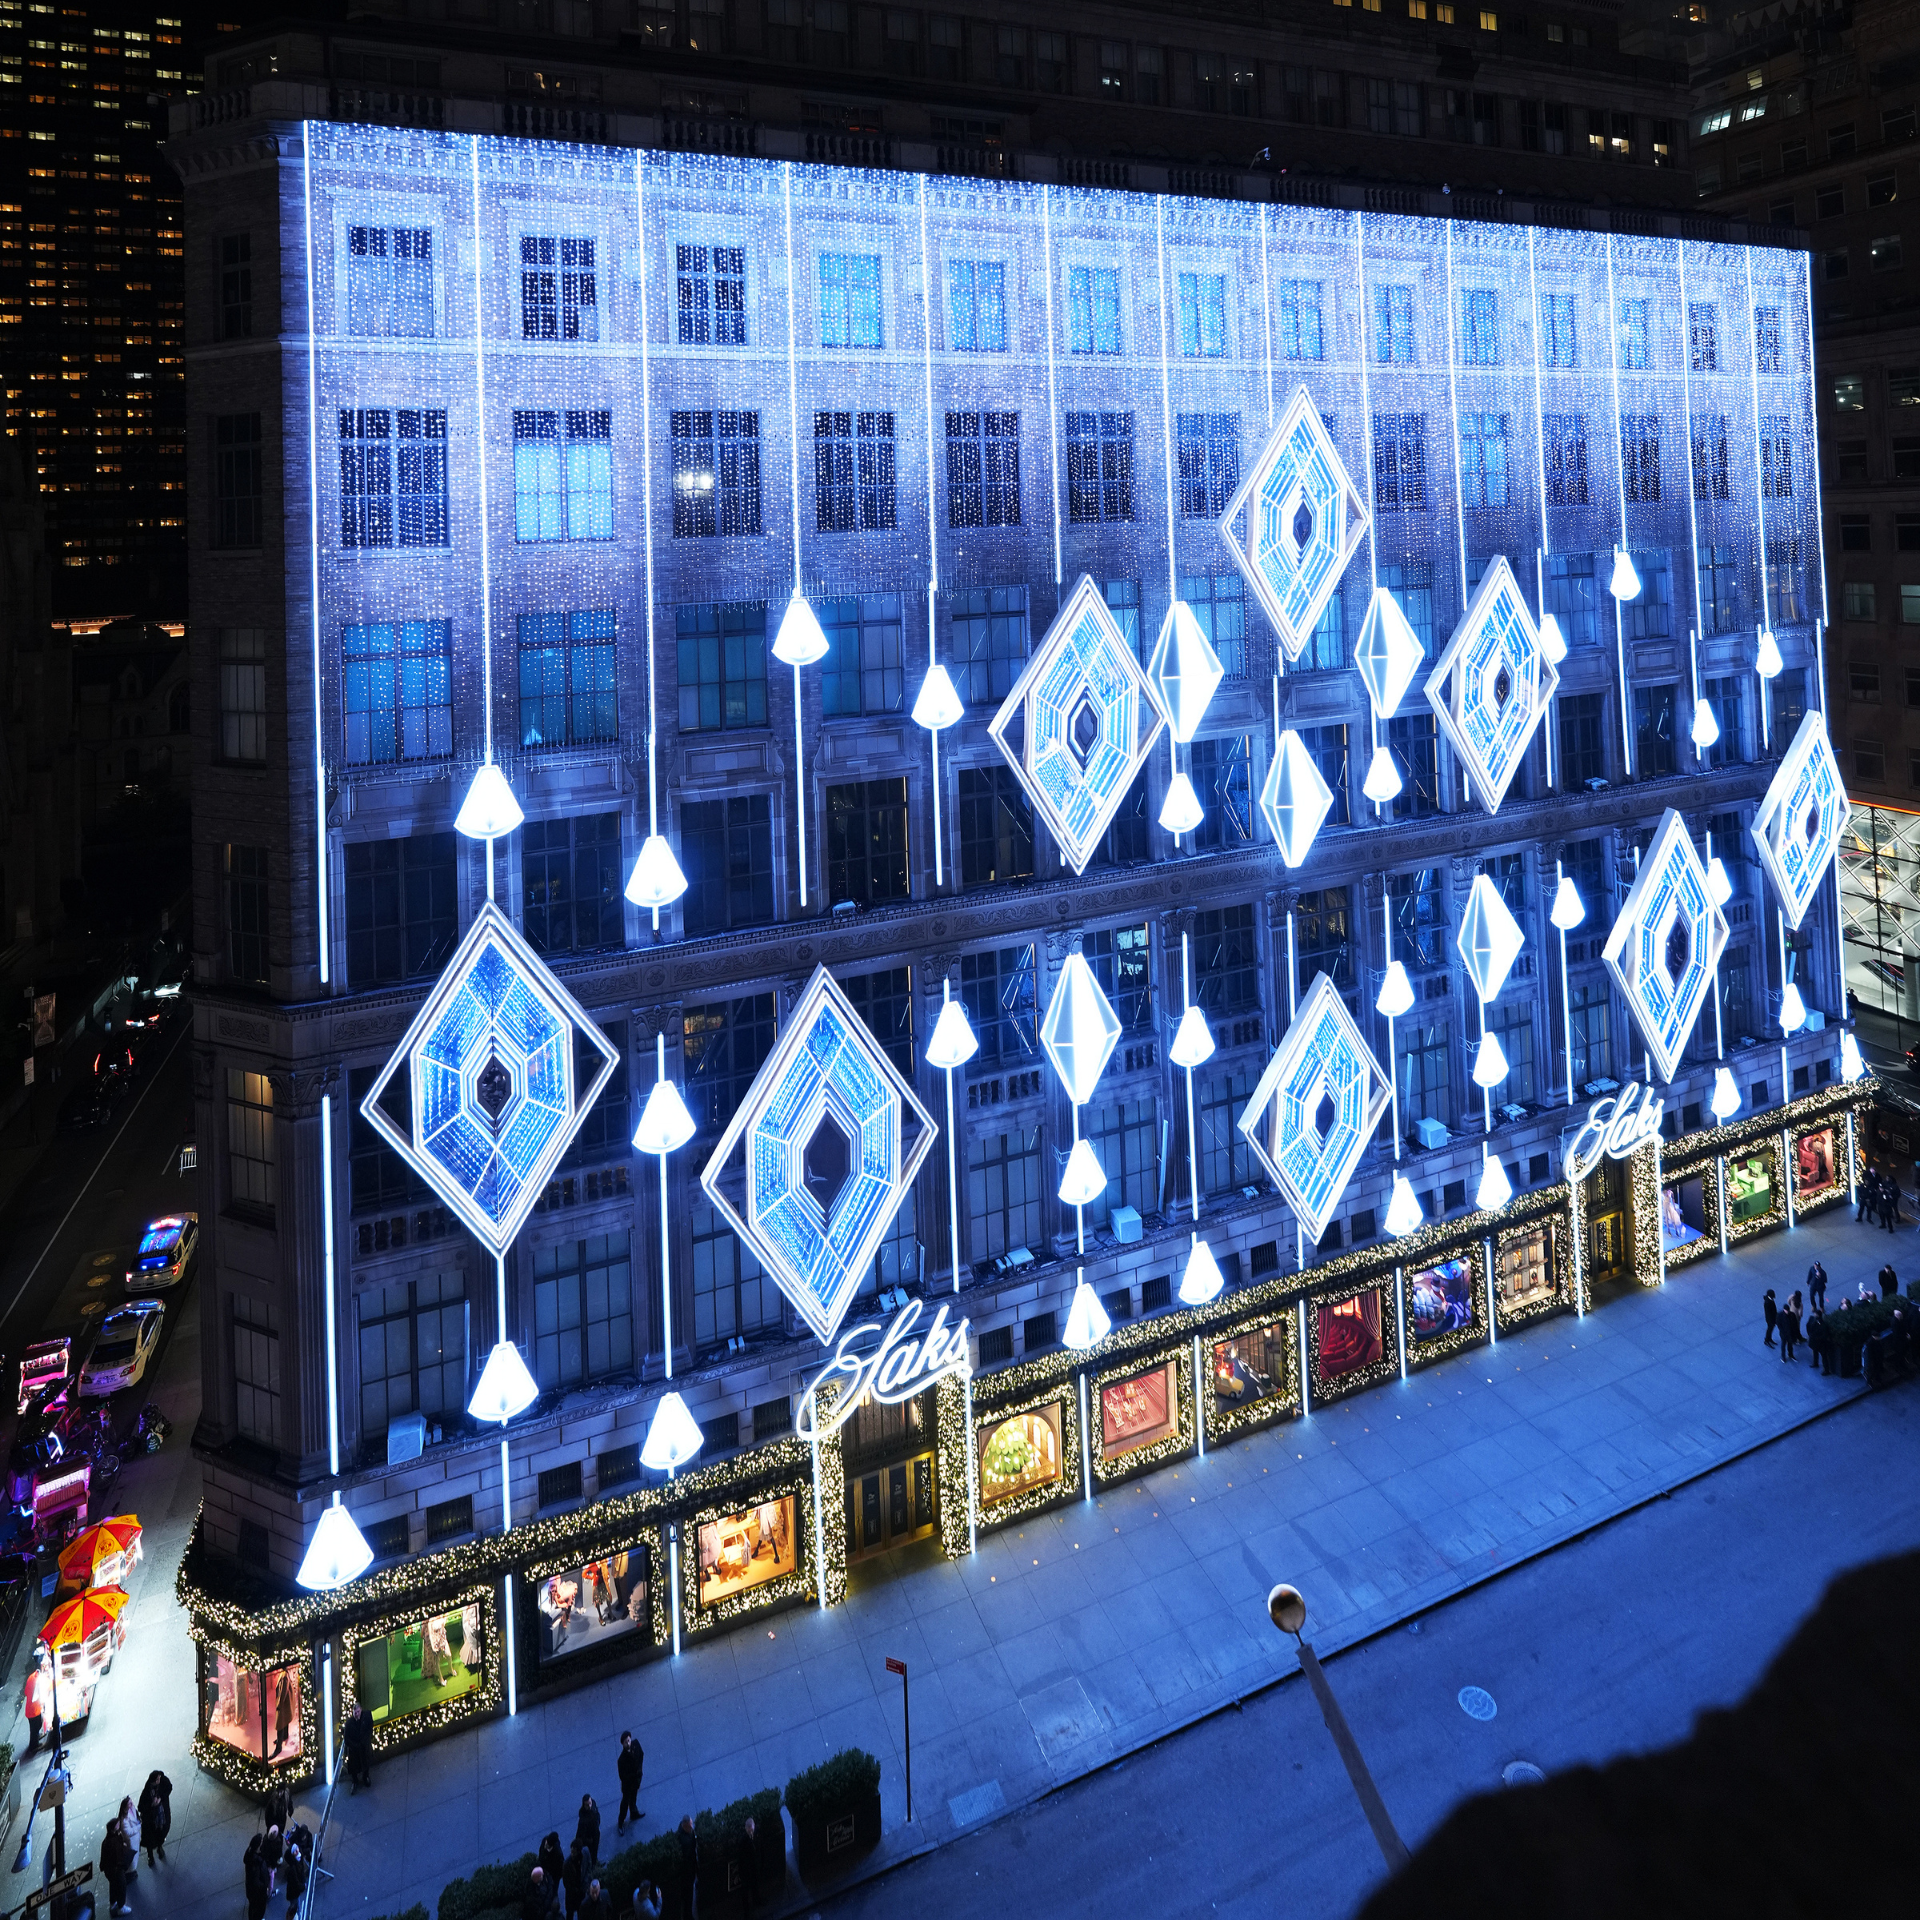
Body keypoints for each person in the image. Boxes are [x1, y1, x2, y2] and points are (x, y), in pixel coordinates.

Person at [101, 1803, 135, 1916]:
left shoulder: (106, 1841)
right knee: (121, 1886)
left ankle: (113, 1902)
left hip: (109, 1871)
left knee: (113, 1885)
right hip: (116, 1870)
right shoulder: (114, 1842)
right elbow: (118, 1855)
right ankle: (121, 1906)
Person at [138, 1770, 173, 1867]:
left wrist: (160, 1798)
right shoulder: (147, 1792)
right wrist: (152, 1804)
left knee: (160, 1833)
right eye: (157, 1779)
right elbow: (141, 1807)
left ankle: (159, 1847)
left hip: (161, 1816)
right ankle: (150, 1856)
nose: (159, 1780)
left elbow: (169, 1788)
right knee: (149, 1839)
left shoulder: (163, 1781)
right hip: (150, 1820)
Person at [616, 1731, 644, 1831]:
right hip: (628, 1785)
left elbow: (641, 1754)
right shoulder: (621, 1760)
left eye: (628, 1741)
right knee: (625, 1803)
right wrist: (634, 1774)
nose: (628, 1743)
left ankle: (634, 1813)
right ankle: (620, 1822)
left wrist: (639, 1770)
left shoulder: (635, 1744)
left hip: (635, 1781)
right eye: (625, 1742)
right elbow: (622, 1776)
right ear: (622, 1744)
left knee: (634, 1799)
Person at [344, 1701, 374, 1792]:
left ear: (361, 1710)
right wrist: (355, 1746)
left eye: (358, 1712)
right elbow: (347, 1739)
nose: (357, 1714)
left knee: (366, 1763)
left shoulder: (367, 1716)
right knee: (354, 1767)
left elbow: (370, 1728)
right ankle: (355, 1781)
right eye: (355, 1713)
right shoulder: (349, 1723)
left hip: (364, 1746)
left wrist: (366, 1741)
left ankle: (365, 1777)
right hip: (355, 1750)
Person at [736, 1816, 760, 1920]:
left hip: (752, 1868)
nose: (752, 1832)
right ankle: (747, 1912)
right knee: (745, 1892)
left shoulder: (752, 1835)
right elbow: (742, 1858)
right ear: (747, 1829)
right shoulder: (743, 1841)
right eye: (751, 1830)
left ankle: (756, 1901)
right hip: (746, 1871)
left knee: (754, 1886)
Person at [22, 1660, 48, 1756]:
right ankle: (34, 1746)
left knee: (35, 1727)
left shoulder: (31, 1677)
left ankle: (36, 1738)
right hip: (34, 1711)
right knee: (35, 1728)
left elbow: (25, 1692)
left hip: (29, 1709)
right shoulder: (39, 1681)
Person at [282, 1832, 309, 1920]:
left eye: (297, 1849)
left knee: (296, 1903)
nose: (297, 1851)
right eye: (295, 1851)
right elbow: (296, 1882)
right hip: (293, 1892)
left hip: (295, 1891)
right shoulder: (292, 1869)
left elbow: (301, 1873)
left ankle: (296, 1914)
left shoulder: (298, 1859)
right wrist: (302, 1886)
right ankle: (292, 1916)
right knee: (294, 1905)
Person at [675, 1817, 698, 1920]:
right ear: (685, 1826)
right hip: (687, 1874)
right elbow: (688, 1858)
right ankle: (688, 1916)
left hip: (688, 1872)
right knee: (688, 1897)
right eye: (690, 1826)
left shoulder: (683, 1830)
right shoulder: (685, 1841)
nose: (692, 1827)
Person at [244, 1835, 271, 1920]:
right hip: (258, 1895)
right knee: (258, 1909)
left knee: (253, 1907)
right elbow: (256, 1883)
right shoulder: (255, 1864)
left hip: (253, 1893)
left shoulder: (251, 1855)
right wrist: (264, 1887)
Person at [564, 1839, 589, 1920]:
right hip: (571, 1894)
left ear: (579, 1851)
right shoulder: (567, 1864)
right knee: (570, 1912)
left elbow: (589, 1866)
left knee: (581, 1910)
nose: (572, 1854)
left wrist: (585, 1881)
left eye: (574, 1852)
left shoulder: (585, 1853)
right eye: (571, 1851)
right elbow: (566, 1883)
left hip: (581, 1890)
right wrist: (574, 1890)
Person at [575, 1792, 601, 1864]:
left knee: (595, 1850)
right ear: (584, 1805)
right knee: (592, 1852)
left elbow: (596, 1813)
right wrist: (589, 1841)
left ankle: (595, 1862)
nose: (589, 1806)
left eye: (590, 1803)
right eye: (587, 1805)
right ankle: (593, 1864)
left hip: (596, 1833)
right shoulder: (583, 1819)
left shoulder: (593, 1804)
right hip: (590, 1838)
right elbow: (581, 1832)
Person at [1778, 1291, 1803, 1362]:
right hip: (1784, 1333)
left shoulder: (1791, 1315)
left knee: (1789, 1345)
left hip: (1789, 1333)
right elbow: (1779, 1324)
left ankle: (1790, 1355)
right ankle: (1783, 1356)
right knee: (1783, 1345)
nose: (1787, 1312)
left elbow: (1794, 1324)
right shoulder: (1780, 1316)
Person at [1807, 1303, 1831, 1375]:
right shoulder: (1818, 1322)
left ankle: (1826, 1370)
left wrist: (1814, 1337)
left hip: (1820, 1343)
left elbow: (1824, 1335)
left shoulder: (1822, 1325)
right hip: (1817, 1342)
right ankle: (1816, 1363)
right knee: (1817, 1353)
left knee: (1823, 1356)